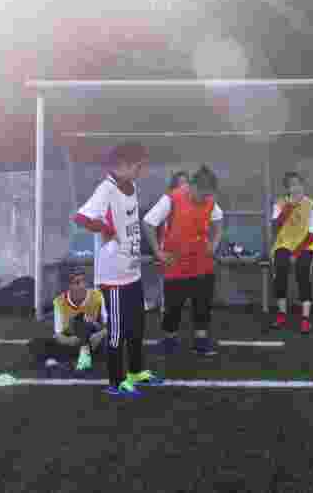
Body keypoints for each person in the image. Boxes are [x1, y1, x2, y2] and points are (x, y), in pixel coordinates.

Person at [74, 142, 164, 397]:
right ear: (121, 165)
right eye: (137, 166)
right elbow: (81, 218)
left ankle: (135, 372)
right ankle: (116, 381)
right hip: (112, 276)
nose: (140, 171)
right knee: (117, 331)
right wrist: (105, 229)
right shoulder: (106, 189)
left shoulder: (131, 186)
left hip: (131, 271)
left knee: (137, 326)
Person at [143, 165, 223, 356]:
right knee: (173, 307)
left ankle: (201, 342)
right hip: (175, 263)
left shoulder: (210, 200)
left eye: (208, 195)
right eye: (202, 195)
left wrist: (214, 243)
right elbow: (148, 222)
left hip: (202, 262)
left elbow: (219, 221)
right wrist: (158, 253)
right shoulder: (172, 198)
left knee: (202, 304)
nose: (205, 199)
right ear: (193, 187)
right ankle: (169, 341)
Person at [27, 266, 108, 372]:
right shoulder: (59, 301)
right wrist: (69, 340)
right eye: (77, 282)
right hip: (72, 340)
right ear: (69, 286)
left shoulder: (97, 296)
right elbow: (58, 334)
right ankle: (71, 359)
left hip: (93, 340)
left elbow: (111, 325)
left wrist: (99, 334)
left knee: (100, 336)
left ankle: (71, 359)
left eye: (84, 281)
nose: (82, 286)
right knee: (36, 344)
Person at [270, 171, 313, 334]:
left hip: (306, 245)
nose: (296, 187)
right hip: (283, 244)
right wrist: (289, 206)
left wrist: (296, 253)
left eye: (298, 184)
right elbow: (275, 227)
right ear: (287, 188)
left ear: (303, 185)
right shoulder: (279, 203)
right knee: (280, 267)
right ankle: (282, 314)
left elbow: (312, 233)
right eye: (292, 185)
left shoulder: (312, 204)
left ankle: (305, 318)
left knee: (302, 269)